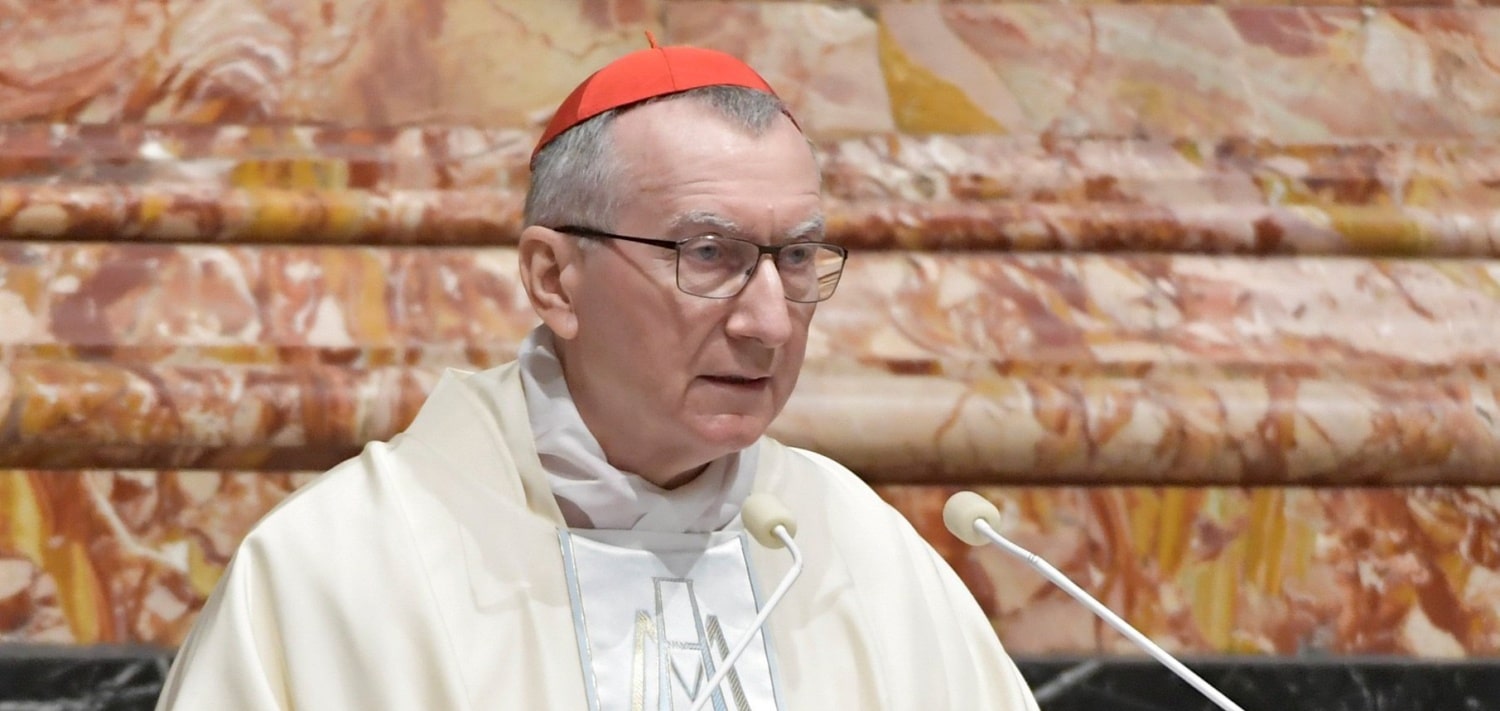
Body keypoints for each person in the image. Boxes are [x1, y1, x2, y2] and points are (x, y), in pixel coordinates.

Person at [155, 38, 1039, 711]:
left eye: (798, 257)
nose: (771, 320)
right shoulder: (342, 572)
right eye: (709, 252)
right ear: (553, 279)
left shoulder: (864, 557)